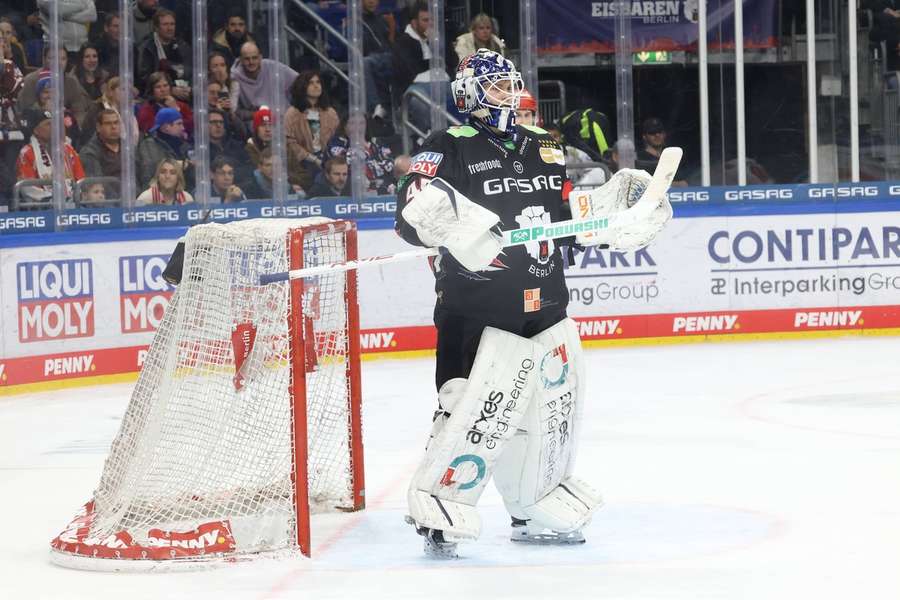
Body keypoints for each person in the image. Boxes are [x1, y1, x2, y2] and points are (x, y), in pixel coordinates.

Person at [392, 49, 673, 559]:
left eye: (510, 84)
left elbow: (566, 210)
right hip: (475, 306)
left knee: (548, 407)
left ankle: (532, 501)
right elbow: (411, 211)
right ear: (470, 95)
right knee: (467, 406)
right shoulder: (446, 145)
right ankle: (440, 504)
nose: (508, 94)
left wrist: (610, 219)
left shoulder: (545, 144)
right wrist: (449, 224)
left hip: (545, 302)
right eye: (496, 87)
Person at [15, 107, 85, 204]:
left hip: (74, 204)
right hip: (42, 209)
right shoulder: (27, 153)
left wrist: (76, 197)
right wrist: (53, 200)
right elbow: (28, 188)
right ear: (36, 130)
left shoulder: (69, 150)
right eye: (48, 124)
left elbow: (81, 179)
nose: (54, 127)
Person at [284, 70, 338, 188]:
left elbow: (337, 138)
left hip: (329, 157)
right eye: (311, 83)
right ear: (302, 87)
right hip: (304, 160)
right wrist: (312, 158)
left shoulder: (330, 112)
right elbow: (289, 142)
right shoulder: (292, 113)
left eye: (318, 82)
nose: (316, 85)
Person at [16, 47, 91, 127]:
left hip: (65, 128)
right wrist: (43, 109)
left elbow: (79, 111)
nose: (58, 63)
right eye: (53, 58)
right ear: (44, 60)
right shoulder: (31, 80)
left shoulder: (72, 81)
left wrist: (74, 128)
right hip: (35, 127)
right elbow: (24, 110)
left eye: (63, 59)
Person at [323, 113, 395, 194]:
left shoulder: (377, 143)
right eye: (353, 123)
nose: (357, 127)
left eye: (361, 123)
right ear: (344, 126)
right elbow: (343, 163)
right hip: (351, 188)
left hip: (383, 186)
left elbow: (390, 164)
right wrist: (357, 145)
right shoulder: (336, 142)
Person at [231, 41, 298, 129]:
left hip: (286, 120)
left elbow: (300, 81)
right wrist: (255, 114)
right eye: (247, 59)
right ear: (241, 59)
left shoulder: (272, 66)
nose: (251, 62)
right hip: (258, 123)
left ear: (260, 57)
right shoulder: (234, 78)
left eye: (254, 58)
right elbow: (234, 111)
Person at [244, 105, 305, 193]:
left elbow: (303, 176)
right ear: (256, 129)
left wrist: (290, 182)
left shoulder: (285, 149)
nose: (268, 129)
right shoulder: (249, 150)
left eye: (271, 125)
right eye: (263, 125)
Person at [135, 8, 191, 98]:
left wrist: (191, 88)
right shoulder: (146, 48)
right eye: (165, 24)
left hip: (183, 93)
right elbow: (145, 80)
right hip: (155, 98)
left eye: (172, 24)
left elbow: (190, 71)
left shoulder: (183, 46)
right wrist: (170, 90)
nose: (170, 28)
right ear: (156, 27)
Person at [135, 106, 192, 188]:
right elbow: (149, 174)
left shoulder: (183, 145)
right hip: (158, 195)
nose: (183, 128)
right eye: (179, 124)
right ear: (166, 126)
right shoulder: (149, 146)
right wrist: (182, 165)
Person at [0, 45, 24, 207]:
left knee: (9, 173)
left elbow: (17, 90)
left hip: (11, 132)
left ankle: (10, 204)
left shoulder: (10, 66)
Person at [361, 0, 393, 119]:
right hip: (372, 58)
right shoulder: (355, 21)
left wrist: (392, 29)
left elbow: (394, 45)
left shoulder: (383, 19)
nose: (371, 1)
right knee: (364, 63)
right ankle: (376, 106)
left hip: (389, 57)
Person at [207, 107, 251, 180]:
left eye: (221, 122)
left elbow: (249, 169)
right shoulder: (201, 150)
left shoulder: (237, 145)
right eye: (213, 122)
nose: (218, 125)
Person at [79, 107, 121, 180]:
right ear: (98, 127)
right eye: (108, 123)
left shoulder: (128, 147)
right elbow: (97, 184)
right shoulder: (89, 152)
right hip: (108, 191)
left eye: (116, 123)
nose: (113, 127)